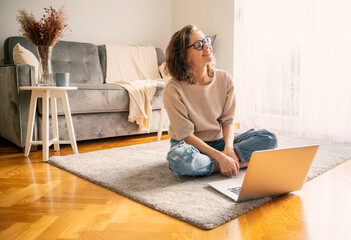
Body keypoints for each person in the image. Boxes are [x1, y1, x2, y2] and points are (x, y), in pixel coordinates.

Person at [163, 25, 277, 177]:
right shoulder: (173, 89)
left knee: (269, 138)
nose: (207, 46)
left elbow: (228, 121)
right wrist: (220, 157)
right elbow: (186, 135)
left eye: (206, 40)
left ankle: (215, 165)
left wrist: (228, 149)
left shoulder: (225, 79)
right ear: (184, 55)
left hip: (219, 141)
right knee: (179, 160)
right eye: (198, 45)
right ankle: (237, 163)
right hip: (189, 145)